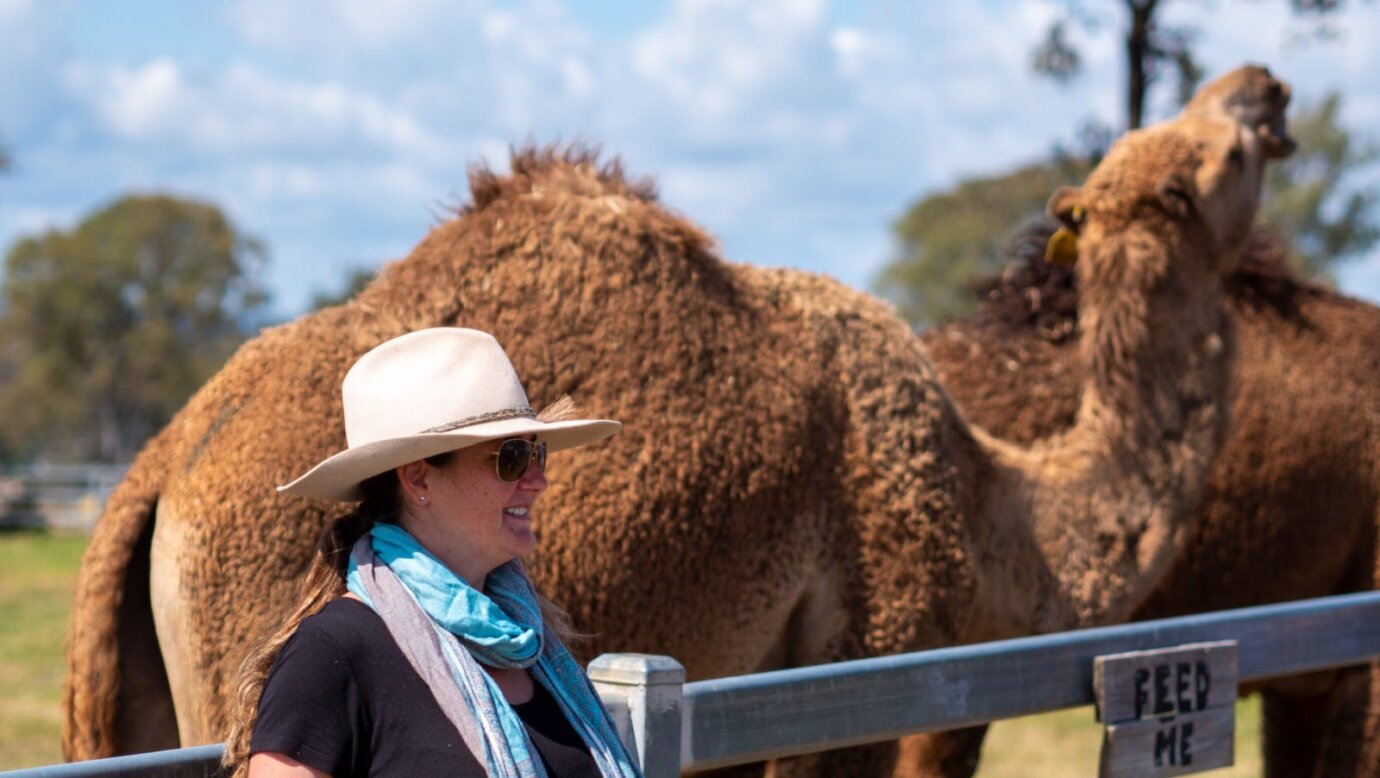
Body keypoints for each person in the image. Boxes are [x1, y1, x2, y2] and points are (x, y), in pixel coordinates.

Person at [222, 327, 640, 778]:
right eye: (511, 457)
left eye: (537, 455)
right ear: (419, 479)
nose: (537, 481)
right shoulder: (330, 654)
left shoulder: (530, 644)